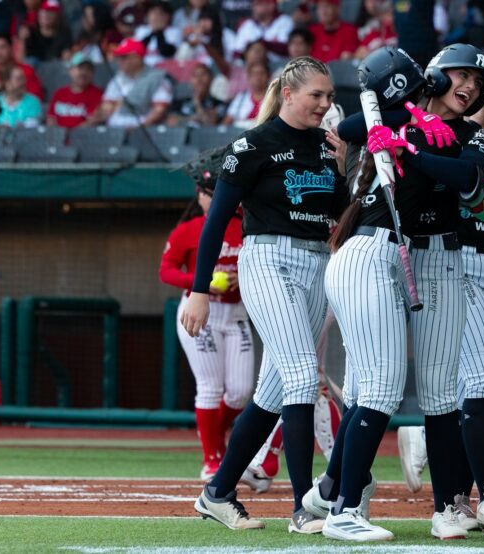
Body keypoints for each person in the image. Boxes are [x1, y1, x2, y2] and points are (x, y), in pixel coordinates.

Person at [302, 44, 484, 541]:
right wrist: (400, 119)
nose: (471, 85)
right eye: (461, 75)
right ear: (432, 77)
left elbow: (470, 180)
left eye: (478, 80)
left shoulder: (470, 134)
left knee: (421, 388)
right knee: (379, 386)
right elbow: (347, 129)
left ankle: (424, 505)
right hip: (374, 250)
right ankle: (343, 502)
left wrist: (412, 145)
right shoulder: (393, 114)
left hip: (423, 254)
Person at [183, 56, 349, 534]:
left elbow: (344, 214)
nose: (324, 104)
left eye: (329, 97)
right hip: (269, 260)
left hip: (317, 263)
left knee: (273, 391)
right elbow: (217, 221)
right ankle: (303, 508)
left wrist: (343, 166)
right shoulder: (251, 145)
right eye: (316, 95)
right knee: (300, 375)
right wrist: (199, 291)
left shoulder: (325, 146)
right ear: (290, 93)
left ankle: (217, 492)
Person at [160, 150, 252, 481]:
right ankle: (212, 457)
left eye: (217, 194)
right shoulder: (188, 230)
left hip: (237, 311)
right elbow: (166, 272)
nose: (212, 200)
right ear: (198, 195)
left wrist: (247, 278)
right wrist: (202, 284)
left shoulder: (245, 225)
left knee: (241, 391)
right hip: (200, 312)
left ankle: (216, 436)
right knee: (210, 386)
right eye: (207, 194)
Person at [96, 38, 172, 128]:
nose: (119, 61)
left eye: (124, 57)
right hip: (114, 130)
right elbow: (107, 107)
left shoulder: (157, 78)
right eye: (118, 57)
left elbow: (159, 111)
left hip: (142, 131)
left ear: (137, 58)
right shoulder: (118, 78)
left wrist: (138, 128)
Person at [0, 34, 44, 99]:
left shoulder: (26, 71)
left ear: (11, 48)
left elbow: (37, 97)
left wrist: (15, 90)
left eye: (2, 47)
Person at [47, 53, 104, 128]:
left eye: (88, 69)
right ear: (70, 71)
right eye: (80, 68)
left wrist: (71, 134)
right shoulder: (59, 93)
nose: (84, 72)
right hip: (58, 137)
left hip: (83, 138)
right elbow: (51, 118)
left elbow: (92, 121)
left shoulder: (98, 94)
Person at [134, 0, 182, 68]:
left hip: (165, 70)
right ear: (148, 15)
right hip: (143, 70)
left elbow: (167, 52)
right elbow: (138, 51)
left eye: (160, 13)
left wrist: (159, 32)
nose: (156, 16)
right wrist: (153, 32)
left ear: (168, 16)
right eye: (154, 12)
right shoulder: (141, 30)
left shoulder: (174, 32)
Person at [222, 61, 270, 128]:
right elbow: (226, 123)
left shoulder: (275, 97)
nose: (258, 77)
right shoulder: (241, 97)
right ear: (249, 78)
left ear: (268, 77)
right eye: (254, 74)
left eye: (261, 73)